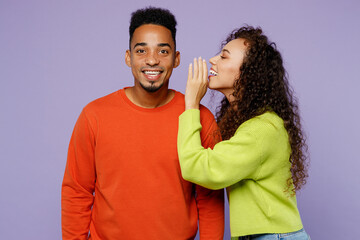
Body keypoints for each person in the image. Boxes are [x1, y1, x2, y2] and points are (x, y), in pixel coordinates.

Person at [61, 7, 224, 240]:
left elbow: (210, 198)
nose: (152, 60)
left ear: (176, 59)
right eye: (141, 50)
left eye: (163, 51)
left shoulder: (199, 117)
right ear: (128, 57)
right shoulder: (93, 116)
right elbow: (76, 192)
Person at [177, 26, 310, 239]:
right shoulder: (246, 123)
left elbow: (200, 169)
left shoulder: (262, 129)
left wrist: (191, 103)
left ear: (248, 73)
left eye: (224, 57)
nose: (212, 60)